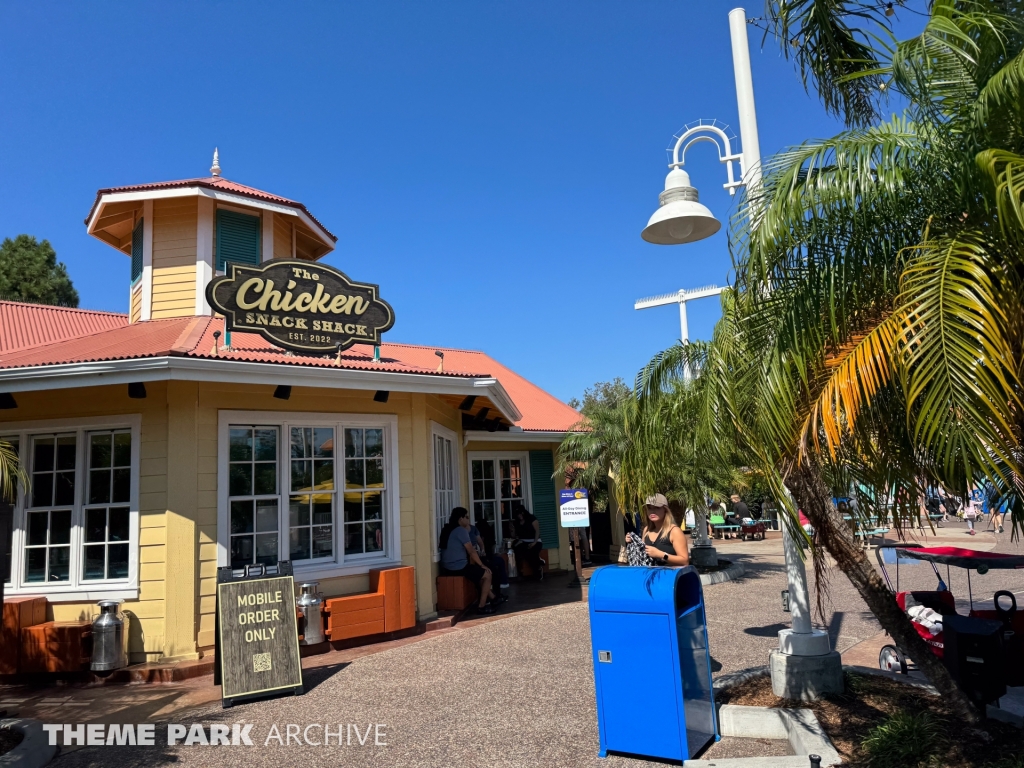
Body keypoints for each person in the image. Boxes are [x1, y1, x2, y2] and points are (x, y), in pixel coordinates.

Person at [439, 508, 500, 613]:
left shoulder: (447, 529)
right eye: (466, 517)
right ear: (461, 518)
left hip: (446, 566)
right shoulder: (460, 530)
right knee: (487, 574)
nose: (468, 520)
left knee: (480, 576)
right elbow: (471, 551)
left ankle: (493, 598)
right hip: (458, 566)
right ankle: (482, 606)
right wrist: (482, 565)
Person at [642, 494, 690, 566]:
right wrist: (632, 541)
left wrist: (661, 555)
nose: (653, 511)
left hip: (669, 575)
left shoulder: (674, 531)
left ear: (665, 510)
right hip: (649, 575)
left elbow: (684, 561)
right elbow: (641, 555)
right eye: (649, 508)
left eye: (657, 508)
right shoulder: (646, 530)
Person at [469, 518, 509, 590]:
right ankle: (503, 582)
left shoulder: (476, 531)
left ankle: (502, 583)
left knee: (497, 563)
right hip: (483, 558)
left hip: (484, 557)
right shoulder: (488, 534)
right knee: (498, 563)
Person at [512, 504, 544, 580]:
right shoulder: (517, 522)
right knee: (518, 551)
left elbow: (537, 531)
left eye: (521, 513)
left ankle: (538, 571)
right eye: (518, 514)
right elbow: (514, 535)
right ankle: (520, 572)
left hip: (535, 540)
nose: (519, 516)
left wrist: (534, 542)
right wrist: (512, 530)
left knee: (532, 553)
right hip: (523, 541)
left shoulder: (532, 519)